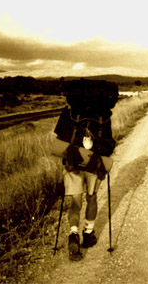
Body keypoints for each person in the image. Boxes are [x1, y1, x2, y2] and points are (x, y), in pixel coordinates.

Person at [51, 79, 117, 261]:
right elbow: (109, 144)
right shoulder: (105, 115)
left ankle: (73, 233)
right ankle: (88, 234)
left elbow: (58, 138)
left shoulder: (70, 113)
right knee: (92, 197)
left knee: (75, 200)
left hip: (73, 160)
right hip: (93, 162)